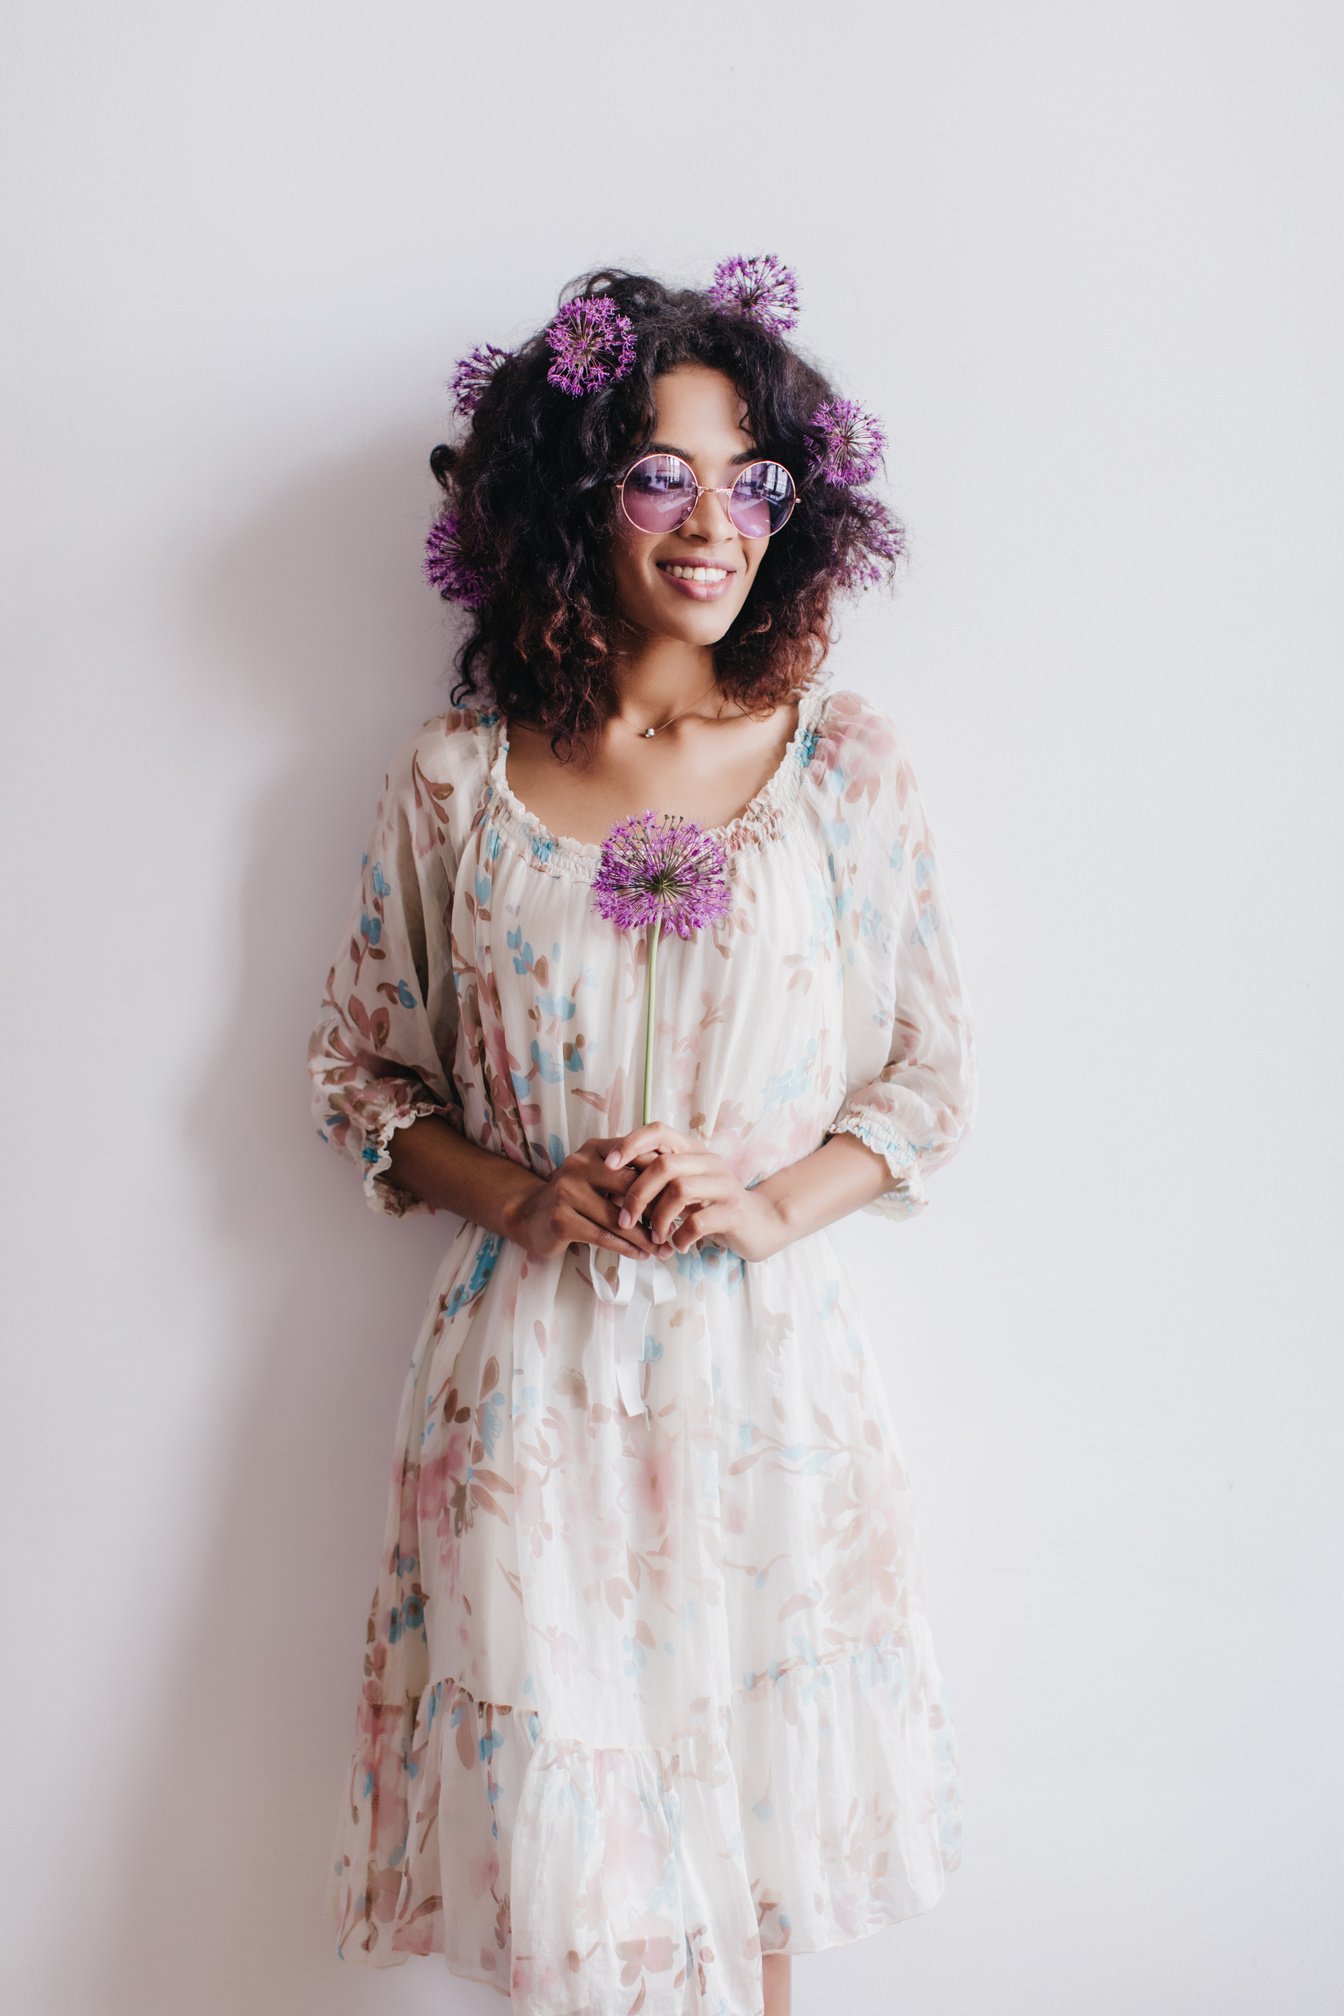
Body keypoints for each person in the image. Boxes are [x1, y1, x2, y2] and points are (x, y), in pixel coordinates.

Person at [307, 257, 979, 2016]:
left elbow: (923, 1083)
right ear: (566, 494)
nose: (713, 520)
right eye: (659, 471)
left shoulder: (843, 768)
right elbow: (364, 1082)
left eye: (751, 478)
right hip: (530, 1386)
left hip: (765, 1389)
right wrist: (530, 1198)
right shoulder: (456, 782)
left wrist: (765, 1206)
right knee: (569, 1905)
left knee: (746, 1891)